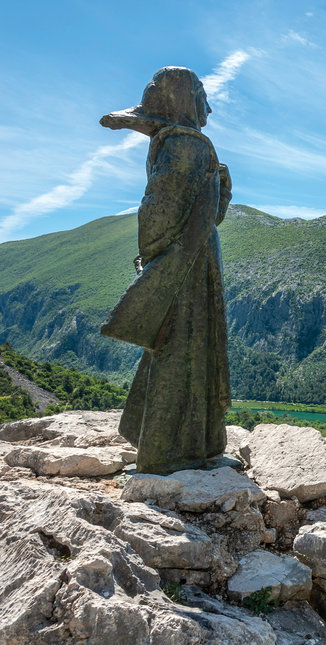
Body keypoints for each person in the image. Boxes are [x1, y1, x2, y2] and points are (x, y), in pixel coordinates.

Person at [99, 67, 231, 474]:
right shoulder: (187, 145)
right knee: (185, 344)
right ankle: (181, 448)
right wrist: (159, 256)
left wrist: (154, 254)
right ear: (185, 100)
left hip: (186, 258)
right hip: (191, 259)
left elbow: (168, 207)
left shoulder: (180, 145)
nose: (208, 106)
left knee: (179, 343)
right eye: (202, 95)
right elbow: (165, 206)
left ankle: (183, 447)